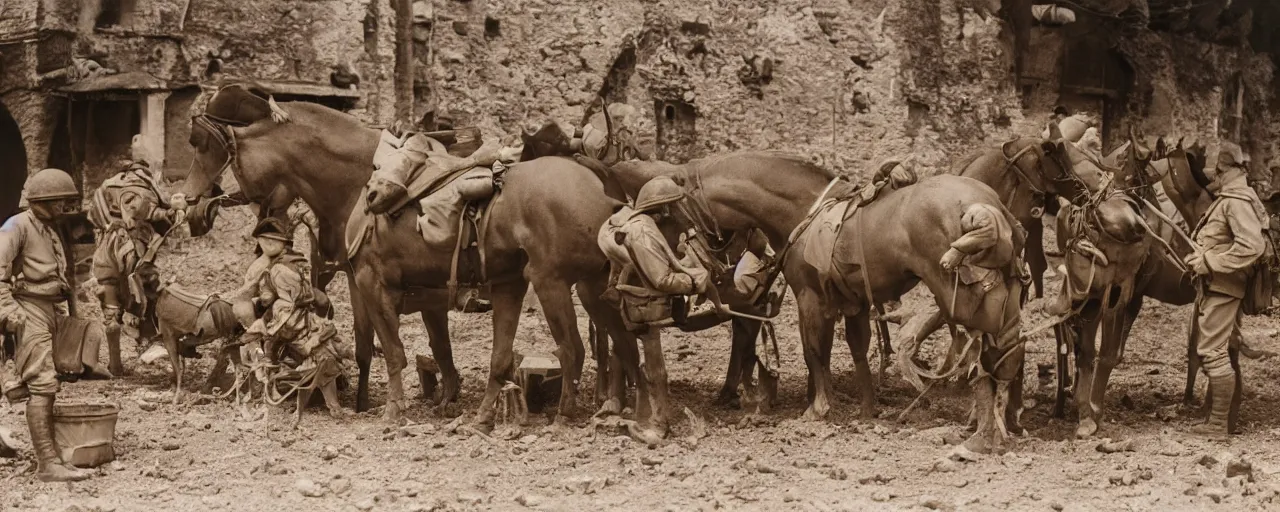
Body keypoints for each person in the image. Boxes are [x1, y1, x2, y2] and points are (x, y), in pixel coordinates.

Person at [0, 168, 106, 481]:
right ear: (42, 201)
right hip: (27, 309)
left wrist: (72, 312)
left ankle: (53, 457)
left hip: (48, 308)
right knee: (42, 385)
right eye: (58, 201)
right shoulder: (15, 226)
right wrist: (8, 309)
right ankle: (47, 463)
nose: (64, 207)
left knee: (51, 381)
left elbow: (63, 277)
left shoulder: (48, 229)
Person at [598, 176, 722, 441]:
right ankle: (658, 423)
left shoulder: (644, 226)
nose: (678, 212)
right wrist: (695, 281)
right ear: (664, 209)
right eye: (674, 207)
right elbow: (661, 279)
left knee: (651, 363)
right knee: (655, 367)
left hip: (642, 300)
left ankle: (653, 417)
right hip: (645, 304)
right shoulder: (643, 232)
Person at [1185, 141, 1267, 436]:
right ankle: (1217, 420)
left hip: (1224, 286)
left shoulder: (1236, 200)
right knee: (1217, 350)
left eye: (1218, 171)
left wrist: (1209, 261)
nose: (1214, 177)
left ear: (1227, 170)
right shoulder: (1232, 197)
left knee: (1213, 351)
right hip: (1217, 285)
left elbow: (1252, 246)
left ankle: (1219, 424)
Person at [90, 137, 185, 371]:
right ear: (149, 165)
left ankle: (115, 365)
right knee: (148, 291)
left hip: (105, 249)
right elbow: (148, 211)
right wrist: (174, 210)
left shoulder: (107, 184)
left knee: (110, 302)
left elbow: (94, 214)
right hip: (132, 249)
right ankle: (154, 342)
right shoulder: (143, 184)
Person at [234, 218, 346, 416]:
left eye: (267, 242)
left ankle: (265, 386)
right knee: (322, 353)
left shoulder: (274, 267)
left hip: (287, 318)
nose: (265, 246)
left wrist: (264, 311)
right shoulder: (298, 260)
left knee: (264, 349)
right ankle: (333, 403)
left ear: (270, 243)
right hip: (304, 316)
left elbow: (274, 301)